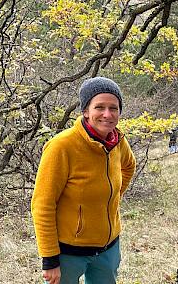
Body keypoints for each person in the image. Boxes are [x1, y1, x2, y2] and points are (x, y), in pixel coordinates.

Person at [31, 77, 136, 284]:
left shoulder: (118, 141)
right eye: (100, 107)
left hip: (108, 248)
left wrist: (112, 198)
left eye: (113, 108)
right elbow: (42, 205)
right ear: (86, 111)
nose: (107, 114)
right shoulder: (61, 146)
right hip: (67, 252)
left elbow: (129, 166)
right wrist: (50, 259)